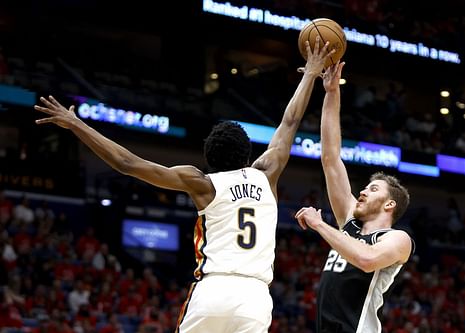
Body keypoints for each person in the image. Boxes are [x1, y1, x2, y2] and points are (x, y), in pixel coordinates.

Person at [34, 37, 335, 333]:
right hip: (255, 297)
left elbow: (127, 163)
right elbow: (289, 122)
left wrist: (77, 124)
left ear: (209, 158)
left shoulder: (202, 183)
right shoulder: (267, 172)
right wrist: (310, 72)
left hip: (214, 289)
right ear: (247, 154)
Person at [294, 62, 414, 333]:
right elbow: (330, 157)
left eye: (373, 190)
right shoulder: (350, 223)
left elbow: (367, 260)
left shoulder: (397, 239)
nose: (362, 191)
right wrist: (332, 92)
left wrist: (320, 224)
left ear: (389, 204)